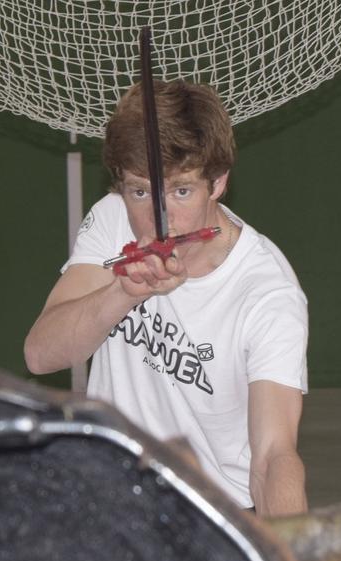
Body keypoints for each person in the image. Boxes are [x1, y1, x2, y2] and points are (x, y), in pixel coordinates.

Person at [24, 79, 308, 516]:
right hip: (110, 496)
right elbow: (42, 354)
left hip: (210, 514)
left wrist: (292, 557)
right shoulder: (113, 219)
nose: (160, 217)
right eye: (140, 191)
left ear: (218, 183)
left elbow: (272, 456)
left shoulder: (266, 292)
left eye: (181, 191)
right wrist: (122, 292)